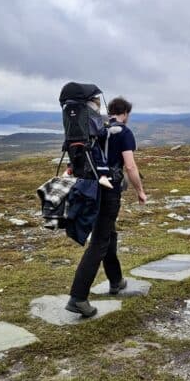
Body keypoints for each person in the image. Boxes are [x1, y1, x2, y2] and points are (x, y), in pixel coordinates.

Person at [65, 96, 147, 317]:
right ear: (126, 113)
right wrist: (140, 190)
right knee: (100, 243)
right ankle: (78, 298)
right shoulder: (124, 132)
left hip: (91, 189)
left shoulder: (97, 128)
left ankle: (116, 280)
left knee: (108, 234)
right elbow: (129, 166)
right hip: (110, 191)